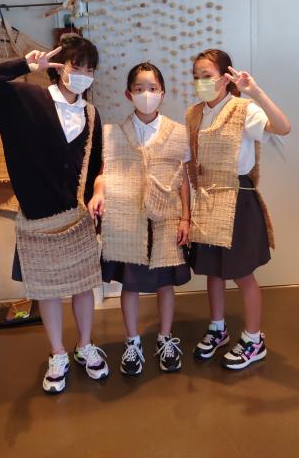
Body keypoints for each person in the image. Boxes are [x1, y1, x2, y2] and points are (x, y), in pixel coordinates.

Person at [0, 34, 109, 394]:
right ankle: (57, 353)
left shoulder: (90, 113)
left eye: (90, 69)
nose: (83, 75)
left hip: (77, 218)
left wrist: (98, 193)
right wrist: (24, 66)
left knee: (83, 287)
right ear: (59, 68)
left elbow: (96, 166)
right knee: (48, 290)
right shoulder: (23, 99)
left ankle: (85, 345)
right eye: (77, 67)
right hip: (37, 219)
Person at [186, 49, 291, 370]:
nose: (201, 82)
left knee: (243, 273)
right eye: (196, 77)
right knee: (213, 271)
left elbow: (283, 127)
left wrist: (255, 91)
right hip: (206, 199)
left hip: (237, 198)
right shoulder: (194, 114)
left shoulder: (243, 109)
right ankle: (218, 328)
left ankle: (254, 339)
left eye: (207, 76)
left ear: (225, 77)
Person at [89, 62, 192, 375]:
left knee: (165, 283)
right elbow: (105, 173)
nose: (146, 94)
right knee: (130, 284)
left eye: (152, 88)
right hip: (127, 218)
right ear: (128, 94)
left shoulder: (178, 132)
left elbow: (183, 178)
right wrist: (98, 192)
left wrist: (186, 218)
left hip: (166, 216)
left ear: (162, 93)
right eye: (139, 89)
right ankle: (132, 341)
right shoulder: (113, 133)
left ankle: (165, 337)